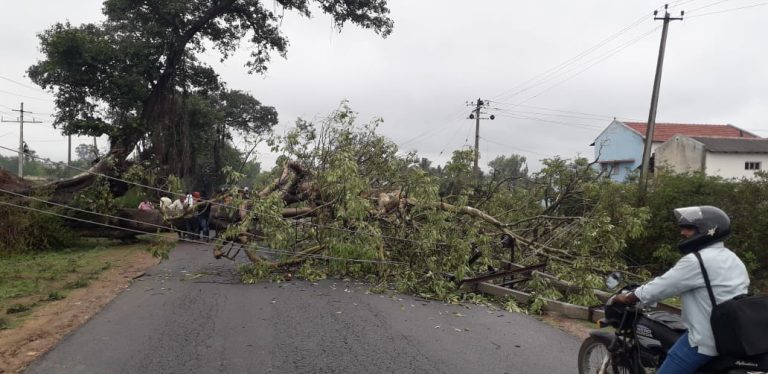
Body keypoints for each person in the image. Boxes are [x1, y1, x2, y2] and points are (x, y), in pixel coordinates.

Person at [613, 206, 750, 373]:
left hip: (705, 339)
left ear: (708, 230)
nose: (682, 232)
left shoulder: (697, 261)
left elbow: (661, 287)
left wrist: (628, 297)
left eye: (689, 228)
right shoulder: (732, 258)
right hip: (733, 336)